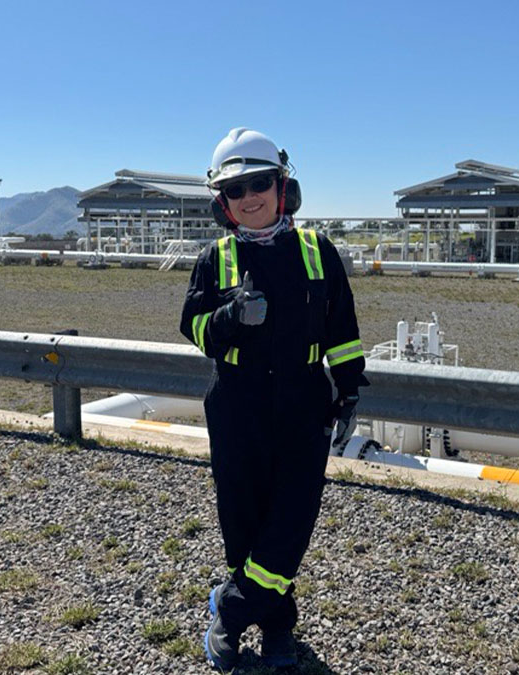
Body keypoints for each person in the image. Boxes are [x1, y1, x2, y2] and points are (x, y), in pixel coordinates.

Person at [179, 128, 367, 670]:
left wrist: (349, 386)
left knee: (290, 523)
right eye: (235, 190)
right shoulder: (214, 258)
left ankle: (229, 609)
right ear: (223, 202)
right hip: (237, 407)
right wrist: (229, 318)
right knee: (243, 524)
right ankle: (278, 626)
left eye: (259, 183)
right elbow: (192, 326)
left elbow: (342, 326)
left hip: (305, 404)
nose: (249, 197)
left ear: (283, 185)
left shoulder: (318, 250)